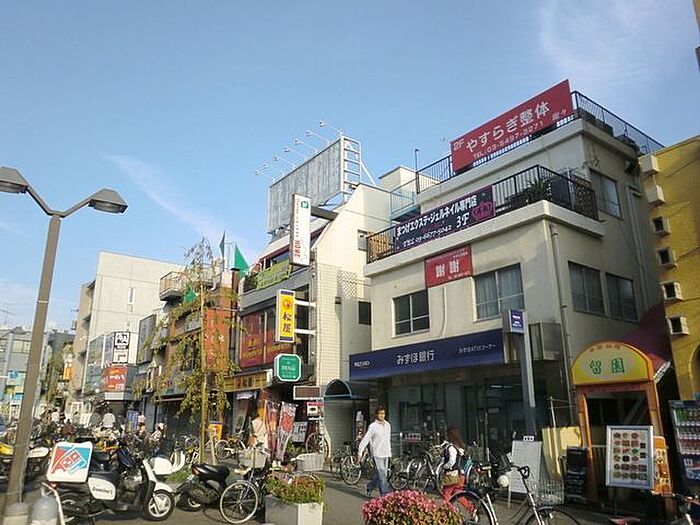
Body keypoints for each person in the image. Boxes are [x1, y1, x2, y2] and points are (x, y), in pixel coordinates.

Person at [358, 406, 392, 498]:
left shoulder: (387, 425)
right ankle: (385, 496)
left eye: (383, 413)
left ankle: (369, 487)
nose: (382, 415)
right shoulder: (373, 426)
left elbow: (388, 439)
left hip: (386, 453)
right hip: (377, 453)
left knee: (382, 475)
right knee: (382, 475)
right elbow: (366, 439)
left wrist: (390, 451)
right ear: (376, 415)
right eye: (380, 413)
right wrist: (360, 452)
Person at [441, 426, 475, 516]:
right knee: (458, 494)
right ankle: (471, 508)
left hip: (452, 474)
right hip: (461, 475)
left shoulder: (451, 447)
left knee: (446, 493)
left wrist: (445, 466)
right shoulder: (460, 447)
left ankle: (446, 513)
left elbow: (452, 461)